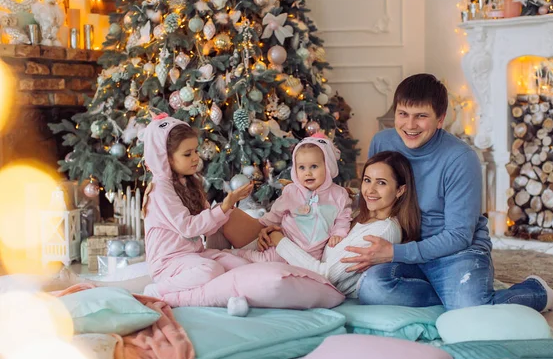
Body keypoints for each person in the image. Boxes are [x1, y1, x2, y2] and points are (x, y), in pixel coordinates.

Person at [346, 73, 553, 312]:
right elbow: (372, 198)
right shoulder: (382, 142)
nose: (410, 125)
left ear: (440, 119)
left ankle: (535, 291)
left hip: (455, 251)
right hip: (403, 245)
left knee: (470, 308)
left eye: (421, 116)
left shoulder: (461, 158)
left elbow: (459, 236)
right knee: (372, 288)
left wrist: (394, 252)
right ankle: (451, 295)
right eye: (403, 114)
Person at [260, 151, 419, 297]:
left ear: (400, 190)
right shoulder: (357, 215)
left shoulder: (381, 232)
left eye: (381, 183)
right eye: (367, 180)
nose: (370, 190)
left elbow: (326, 274)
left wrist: (280, 241)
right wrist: (278, 231)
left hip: (320, 289)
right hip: (300, 272)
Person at [142, 114, 254, 297]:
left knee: (241, 266)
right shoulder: (161, 190)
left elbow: (208, 229)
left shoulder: (190, 182)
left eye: (195, 151)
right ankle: (156, 291)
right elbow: (188, 228)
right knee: (211, 270)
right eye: (187, 154)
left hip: (193, 255)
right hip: (168, 263)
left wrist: (230, 204)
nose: (195, 158)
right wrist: (223, 208)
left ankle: (228, 292)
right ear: (165, 158)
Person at [230, 134, 352, 263]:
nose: (308, 173)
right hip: (286, 243)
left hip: (314, 252)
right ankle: (235, 255)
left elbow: (343, 218)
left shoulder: (339, 194)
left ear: (328, 166)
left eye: (314, 166)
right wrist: (264, 229)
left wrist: (338, 234)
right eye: (302, 167)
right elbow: (275, 214)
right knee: (267, 259)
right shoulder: (292, 192)